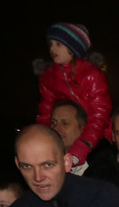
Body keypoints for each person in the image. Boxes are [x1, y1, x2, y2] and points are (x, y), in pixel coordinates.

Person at [35, 23, 111, 170]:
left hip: (97, 139)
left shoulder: (92, 76)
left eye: (58, 44)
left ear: (73, 48)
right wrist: (44, 139)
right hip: (65, 138)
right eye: (50, 44)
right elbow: (45, 113)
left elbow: (100, 116)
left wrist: (84, 145)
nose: (52, 49)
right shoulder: (48, 77)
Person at [49, 100, 89, 175]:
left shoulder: (98, 165)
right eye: (53, 122)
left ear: (82, 129)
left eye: (65, 123)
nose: (56, 128)